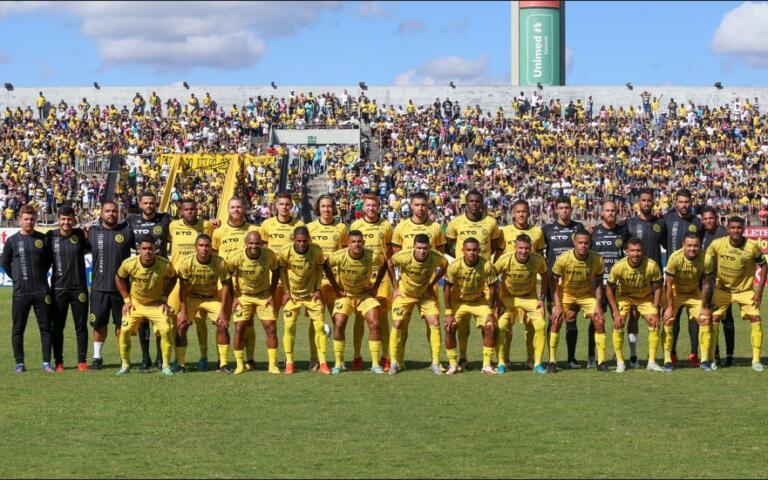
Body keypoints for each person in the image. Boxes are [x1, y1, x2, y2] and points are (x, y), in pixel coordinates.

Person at [701, 216, 767, 372]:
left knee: (756, 319)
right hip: (722, 290)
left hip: (745, 291)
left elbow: (764, 266)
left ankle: (756, 361)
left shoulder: (752, 246)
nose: (736, 230)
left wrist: (759, 292)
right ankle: (711, 359)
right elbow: (704, 260)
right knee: (714, 319)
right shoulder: (717, 244)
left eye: (739, 228)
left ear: (743, 229)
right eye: (733, 228)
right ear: (727, 228)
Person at [446, 190, 501, 370]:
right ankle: (462, 357)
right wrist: (459, 261)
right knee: (461, 324)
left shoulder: (491, 223)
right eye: (471, 201)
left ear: (482, 204)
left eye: (478, 201)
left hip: (484, 277)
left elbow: (496, 246)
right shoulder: (456, 222)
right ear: (466, 203)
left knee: (491, 320)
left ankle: (490, 360)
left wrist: (485, 262)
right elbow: (448, 245)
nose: (474, 204)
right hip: (463, 279)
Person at [324, 230, 388, 375]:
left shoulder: (373, 255)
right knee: (339, 323)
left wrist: (376, 285)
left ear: (363, 243)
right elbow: (326, 266)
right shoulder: (339, 256)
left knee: (375, 323)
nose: (356, 244)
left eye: (359, 241)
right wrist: (335, 286)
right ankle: (339, 363)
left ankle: (375, 363)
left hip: (364, 295)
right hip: (346, 296)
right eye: (353, 242)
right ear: (348, 243)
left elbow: (385, 265)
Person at [114, 235, 177, 376]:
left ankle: (166, 365)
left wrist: (164, 297)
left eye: (150, 249)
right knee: (124, 330)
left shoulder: (164, 264)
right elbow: (118, 277)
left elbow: (173, 277)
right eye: (144, 249)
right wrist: (126, 300)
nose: (147, 252)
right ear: (138, 250)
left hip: (155, 304)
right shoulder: (129, 263)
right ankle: (125, 365)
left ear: (155, 249)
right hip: (136, 303)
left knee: (166, 329)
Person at [1, 204, 53, 373]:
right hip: (21, 292)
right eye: (26, 219)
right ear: (19, 220)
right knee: (18, 328)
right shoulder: (12, 241)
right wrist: (16, 279)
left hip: (41, 291)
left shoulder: (42, 239)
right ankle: (19, 363)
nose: (29, 222)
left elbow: (48, 261)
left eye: (32, 219)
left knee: (45, 327)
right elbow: (4, 263)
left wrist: (39, 276)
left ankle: (46, 362)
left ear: (35, 220)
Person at [387, 234, 448, 375]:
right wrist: (395, 287)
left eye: (425, 248)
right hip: (405, 295)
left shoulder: (435, 256)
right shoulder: (403, 256)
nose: (422, 251)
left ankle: (436, 363)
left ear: (429, 248)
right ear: (414, 246)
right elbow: (390, 263)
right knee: (397, 324)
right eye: (419, 248)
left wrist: (432, 284)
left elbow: (445, 266)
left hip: (425, 295)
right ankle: (395, 363)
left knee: (435, 321)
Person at [211, 196, 261, 370]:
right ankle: (223, 361)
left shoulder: (254, 230)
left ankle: (249, 359)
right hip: (223, 283)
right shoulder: (218, 231)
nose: (236, 210)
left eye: (239, 207)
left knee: (247, 323)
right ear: (228, 209)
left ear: (244, 208)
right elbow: (214, 255)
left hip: (246, 284)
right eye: (232, 207)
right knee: (222, 321)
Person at [168, 198, 217, 370]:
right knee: (175, 321)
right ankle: (177, 359)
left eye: (193, 209)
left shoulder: (207, 226)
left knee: (200, 321)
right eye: (186, 209)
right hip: (177, 281)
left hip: (199, 280)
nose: (190, 212)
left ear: (197, 210)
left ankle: (203, 357)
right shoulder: (173, 226)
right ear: (181, 211)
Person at [126, 191, 172, 371]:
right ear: (140, 204)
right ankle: (145, 359)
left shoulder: (166, 219)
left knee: (160, 317)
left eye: (152, 203)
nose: (149, 206)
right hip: (139, 276)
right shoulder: (131, 221)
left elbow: (185, 226)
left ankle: (161, 358)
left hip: (160, 275)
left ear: (156, 203)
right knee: (143, 319)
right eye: (145, 203)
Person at [549, 230, 605, 373]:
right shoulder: (563, 259)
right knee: (556, 320)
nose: (583, 246)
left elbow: (598, 283)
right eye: (580, 243)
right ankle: (552, 362)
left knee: (599, 320)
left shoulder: (597, 259)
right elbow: (554, 284)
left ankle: (601, 362)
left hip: (586, 295)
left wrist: (598, 305)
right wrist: (557, 305)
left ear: (590, 243)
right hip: (566, 294)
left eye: (586, 243)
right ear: (574, 243)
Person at [87, 201, 135, 370]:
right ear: (101, 213)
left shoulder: (127, 231)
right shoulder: (92, 232)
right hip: (99, 289)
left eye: (114, 211)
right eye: (107, 211)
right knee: (99, 325)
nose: (111, 214)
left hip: (121, 291)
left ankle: (124, 358)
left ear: (119, 213)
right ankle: (97, 357)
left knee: (121, 326)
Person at [498, 199, 545, 369]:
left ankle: (532, 360)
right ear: (513, 213)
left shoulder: (537, 232)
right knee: (505, 327)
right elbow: (498, 260)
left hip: (529, 292)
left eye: (524, 211)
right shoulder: (504, 232)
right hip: (508, 292)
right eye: (518, 212)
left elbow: (541, 261)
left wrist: (542, 297)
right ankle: (505, 360)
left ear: (529, 213)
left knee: (532, 327)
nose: (521, 214)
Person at [174, 234, 232, 374]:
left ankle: (223, 363)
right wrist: (183, 310)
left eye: (207, 246)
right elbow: (182, 288)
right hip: (192, 298)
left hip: (211, 298)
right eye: (201, 246)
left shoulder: (220, 262)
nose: (204, 249)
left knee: (222, 323)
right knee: (181, 325)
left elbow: (226, 286)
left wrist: (223, 310)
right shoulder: (186, 262)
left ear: (211, 247)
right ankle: (180, 364)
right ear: (196, 247)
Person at [606, 238, 664, 373]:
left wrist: (655, 310)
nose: (635, 254)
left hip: (644, 297)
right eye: (632, 251)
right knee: (619, 323)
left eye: (638, 251)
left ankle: (652, 362)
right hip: (624, 297)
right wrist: (616, 313)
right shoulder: (619, 266)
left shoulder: (651, 265)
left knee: (654, 323)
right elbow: (609, 289)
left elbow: (658, 288)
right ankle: (620, 362)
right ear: (626, 251)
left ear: (642, 251)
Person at [277, 226, 331, 374]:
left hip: (311, 294)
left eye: (305, 241)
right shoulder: (285, 252)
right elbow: (281, 271)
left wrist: (318, 288)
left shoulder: (316, 251)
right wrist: (286, 291)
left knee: (319, 327)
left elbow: (320, 269)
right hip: (292, 296)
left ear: (309, 239)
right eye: (299, 241)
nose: (302, 244)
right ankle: (289, 363)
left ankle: (322, 362)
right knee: (289, 327)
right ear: (294, 239)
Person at [350, 193, 394, 370]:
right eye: (368, 205)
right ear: (363, 207)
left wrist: (394, 282)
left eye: (374, 205)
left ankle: (385, 356)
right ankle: (357, 356)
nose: (371, 208)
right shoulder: (356, 225)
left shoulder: (386, 225)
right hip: (361, 276)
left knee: (382, 318)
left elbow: (389, 255)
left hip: (381, 278)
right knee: (360, 318)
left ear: (378, 207)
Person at [494, 234, 550, 373]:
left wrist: (541, 299)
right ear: (515, 247)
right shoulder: (505, 259)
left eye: (527, 248)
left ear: (531, 248)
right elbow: (491, 276)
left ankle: (536, 363)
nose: (524, 251)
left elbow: (545, 276)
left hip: (529, 297)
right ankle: (502, 362)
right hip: (508, 297)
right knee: (501, 326)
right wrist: (497, 299)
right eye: (521, 248)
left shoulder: (538, 260)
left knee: (540, 325)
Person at [660, 189, 704, 367]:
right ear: (675, 202)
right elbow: (661, 239)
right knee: (673, 319)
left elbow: (700, 244)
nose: (684, 205)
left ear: (691, 203)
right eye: (681, 202)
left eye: (687, 202)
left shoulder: (697, 223)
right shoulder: (667, 219)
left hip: (694, 278)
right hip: (673, 278)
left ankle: (694, 353)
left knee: (695, 319)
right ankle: (672, 353)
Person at [227, 231, 281, 374]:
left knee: (271, 328)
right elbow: (227, 277)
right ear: (246, 243)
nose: (254, 246)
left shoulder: (269, 255)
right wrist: (234, 297)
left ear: (262, 244)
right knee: (239, 329)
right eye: (251, 243)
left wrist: (271, 292)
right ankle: (239, 364)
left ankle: (273, 365)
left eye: (257, 243)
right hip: (243, 296)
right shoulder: (236, 257)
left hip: (263, 296)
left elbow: (276, 271)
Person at [444, 237, 498, 375]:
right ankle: (453, 364)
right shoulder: (454, 266)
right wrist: (449, 313)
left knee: (490, 326)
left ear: (479, 251)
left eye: (475, 250)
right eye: (468, 250)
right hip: (459, 302)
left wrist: (491, 312)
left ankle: (486, 364)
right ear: (462, 250)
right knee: (449, 327)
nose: (472, 253)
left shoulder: (486, 265)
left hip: (479, 301)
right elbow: (447, 289)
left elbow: (492, 288)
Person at [542, 196, 585, 369]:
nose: (564, 211)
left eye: (567, 207)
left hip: (574, 283)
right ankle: (551, 359)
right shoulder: (547, 229)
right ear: (555, 210)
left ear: (571, 209)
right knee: (555, 319)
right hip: (554, 283)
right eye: (561, 208)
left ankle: (571, 358)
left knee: (571, 318)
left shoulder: (578, 227)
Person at [46, 205, 90, 371]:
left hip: (79, 289)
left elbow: (91, 247)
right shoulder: (50, 236)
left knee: (81, 326)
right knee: (57, 327)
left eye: (69, 219)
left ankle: (82, 361)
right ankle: (59, 362)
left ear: (74, 220)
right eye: (63, 219)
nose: (66, 222)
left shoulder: (79, 235)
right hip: (58, 289)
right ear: (59, 219)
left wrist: (88, 235)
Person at [624, 188, 664, 368]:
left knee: (655, 316)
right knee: (633, 316)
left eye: (650, 200)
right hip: (634, 279)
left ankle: (652, 358)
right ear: (638, 202)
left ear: (654, 202)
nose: (647, 203)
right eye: (644, 200)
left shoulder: (660, 224)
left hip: (655, 278)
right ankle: (633, 356)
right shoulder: (629, 224)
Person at [663, 233, 713, 371]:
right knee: (668, 320)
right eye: (689, 245)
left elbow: (707, 284)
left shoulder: (706, 258)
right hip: (676, 292)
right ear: (683, 246)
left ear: (700, 246)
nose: (692, 248)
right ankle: (667, 360)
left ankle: (704, 360)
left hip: (693, 293)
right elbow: (668, 285)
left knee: (705, 319)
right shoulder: (675, 257)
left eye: (695, 245)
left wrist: (704, 306)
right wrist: (669, 307)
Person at [307, 194, 347, 369]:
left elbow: (346, 255)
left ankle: (340, 359)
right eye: (323, 206)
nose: (326, 209)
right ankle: (314, 358)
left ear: (334, 208)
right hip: (315, 284)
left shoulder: (341, 228)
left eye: (329, 206)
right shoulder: (310, 228)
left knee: (339, 320)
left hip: (336, 283)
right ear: (318, 208)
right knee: (315, 322)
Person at [589, 201, 629, 368]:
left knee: (618, 320)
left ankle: (616, 354)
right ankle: (592, 356)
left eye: (613, 210)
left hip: (617, 285)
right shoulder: (593, 232)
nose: (611, 213)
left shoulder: (624, 232)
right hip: (598, 284)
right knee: (596, 320)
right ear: (602, 213)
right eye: (607, 210)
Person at [701, 206, 734, 366]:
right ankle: (716, 355)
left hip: (723, 284)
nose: (708, 221)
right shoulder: (702, 234)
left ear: (717, 218)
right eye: (705, 219)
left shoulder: (724, 233)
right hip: (707, 284)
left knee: (726, 320)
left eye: (710, 218)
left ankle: (730, 355)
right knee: (710, 320)